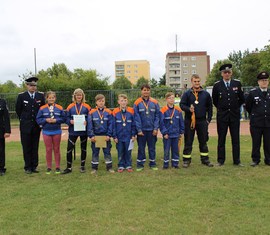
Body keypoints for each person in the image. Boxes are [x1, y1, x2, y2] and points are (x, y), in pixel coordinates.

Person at [212, 63, 245, 166]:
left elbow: (241, 99)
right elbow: (215, 101)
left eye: (228, 72)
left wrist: (234, 108)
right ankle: (221, 160)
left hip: (234, 116)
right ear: (222, 74)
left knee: (235, 139)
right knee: (221, 139)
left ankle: (237, 161)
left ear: (231, 73)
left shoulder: (237, 84)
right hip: (222, 116)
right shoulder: (217, 85)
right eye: (225, 72)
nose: (227, 74)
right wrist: (223, 108)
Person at [180, 74, 214, 168]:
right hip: (189, 121)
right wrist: (188, 109)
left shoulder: (206, 94)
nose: (197, 83)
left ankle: (205, 159)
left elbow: (210, 107)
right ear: (192, 82)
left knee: (203, 141)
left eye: (198, 81)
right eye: (195, 81)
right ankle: (186, 160)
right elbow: (181, 105)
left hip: (202, 121)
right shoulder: (187, 93)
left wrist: (208, 119)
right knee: (188, 141)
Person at [15, 77, 45, 174]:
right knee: (26, 147)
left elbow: (42, 109)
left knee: (35, 147)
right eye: (31, 85)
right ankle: (27, 167)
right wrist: (24, 120)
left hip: (36, 126)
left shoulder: (40, 96)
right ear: (27, 85)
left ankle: (34, 166)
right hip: (25, 126)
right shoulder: (21, 96)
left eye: (34, 85)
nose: (33, 87)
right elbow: (18, 110)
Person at [62, 89, 91, 174]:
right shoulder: (70, 106)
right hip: (73, 131)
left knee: (83, 149)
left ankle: (82, 166)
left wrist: (87, 121)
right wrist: (69, 121)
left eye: (80, 95)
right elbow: (66, 118)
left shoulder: (87, 106)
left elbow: (90, 117)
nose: (79, 97)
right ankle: (69, 167)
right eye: (77, 95)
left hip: (83, 131)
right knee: (69, 149)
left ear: (83, 96)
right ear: (74, 96)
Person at [36, 91, 66, 174]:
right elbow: (38, 119)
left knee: (56, 149)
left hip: (56, 131)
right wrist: (46, 120)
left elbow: (64, 118)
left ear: (55, 98)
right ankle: (49, 167)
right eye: (50, 98)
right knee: (48, 149)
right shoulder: (42, 108)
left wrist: (56, 120)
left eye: (53, 97)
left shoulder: (59, 108)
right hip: (46, 131)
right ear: (47, 98)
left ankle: (57, 167)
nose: (51, 99)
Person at [245, 72, 270, 166]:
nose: (264, 82)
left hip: (268, 122)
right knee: (256, 142)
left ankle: (268, 159)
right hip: (256, 123)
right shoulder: (253, 93)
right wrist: (255, 114)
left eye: (266, 80)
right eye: (262, 80)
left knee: (268, 143)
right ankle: (255, 159)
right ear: (258, 82)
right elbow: (248, 106)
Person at [133, 84, 160, 171]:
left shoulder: (155, 102)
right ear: (141, 91)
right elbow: (136, 117)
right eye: (144, 90)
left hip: (152, 130)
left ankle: (152, 163)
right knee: (141, 148)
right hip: (142, 131)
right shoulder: (137, 103)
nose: (146, 91)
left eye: (148, 90)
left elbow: (157, 116)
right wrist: (139, 130)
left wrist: (156, 128)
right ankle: (140, 164)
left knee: (152, 148)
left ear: (150, 91)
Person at [87, 94, 114, 174]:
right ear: (96, 102)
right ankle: (94, 168)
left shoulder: (109, 112)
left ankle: (109, 167)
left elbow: (111, 124)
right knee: (95, 153)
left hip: (105, 136)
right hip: (96, 136)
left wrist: (109, 135)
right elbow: (90, 124)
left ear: (104, 101)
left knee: (107, 152)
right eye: (99, 101)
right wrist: (91, 136)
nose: (101, 103)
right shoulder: (92, 112)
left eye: (102, 101)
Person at [160, 92, 184, 169]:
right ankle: (166, 164)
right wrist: (164, 133)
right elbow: (161, 123)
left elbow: (181, 121)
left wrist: (181, 132)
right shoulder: (163, 110)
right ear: (166, 99)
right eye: (170, 98)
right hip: (167, 135)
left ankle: (175, 164)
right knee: (166, 150)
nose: (171, 99)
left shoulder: (178, 110)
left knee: (175, 150)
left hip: (176, 134)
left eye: (173, 98)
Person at [112, 94, 136, 173]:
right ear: (118, 102)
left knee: (128, 151)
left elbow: (133, 124)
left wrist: (133, 135)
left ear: (127, 101)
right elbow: (113, 125)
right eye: (121, 101)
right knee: (120, 151)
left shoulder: (131, 111)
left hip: (128, 136)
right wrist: (114, 136)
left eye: (125, 101)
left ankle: (128, 165)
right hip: (119, 136)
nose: (123, 102)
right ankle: (121, 165)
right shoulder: (115, 111)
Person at [0, 97, 11, 176]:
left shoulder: (2, 102)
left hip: (0, 129)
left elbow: (6, 117)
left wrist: (7, 131)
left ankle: (1, 169)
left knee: (1, 150)